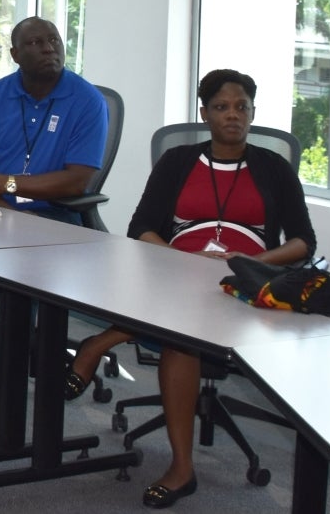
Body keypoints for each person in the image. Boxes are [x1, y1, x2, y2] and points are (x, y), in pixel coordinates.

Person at [71, 68, 314, 508]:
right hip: (177, 269)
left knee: (182, 332)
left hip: (247, 281)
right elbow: (141, 227)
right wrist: (178, 257)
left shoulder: (273, 168)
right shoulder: (178, 163)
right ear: (205, 113)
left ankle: (102, 341)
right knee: (184, 329)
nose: (233, 116)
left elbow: (302, 241)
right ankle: (183, 467)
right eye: (222, 107)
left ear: (253, 113)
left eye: (242, 107)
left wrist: (250, 262)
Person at [0, 16, 109, 414]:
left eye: (53, 40)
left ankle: (5, 373)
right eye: (35, 42)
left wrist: (6, 186)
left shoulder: (86, 101)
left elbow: (78, 182)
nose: (49, 47)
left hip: (56, 216)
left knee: (21, 270)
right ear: (16, 54)